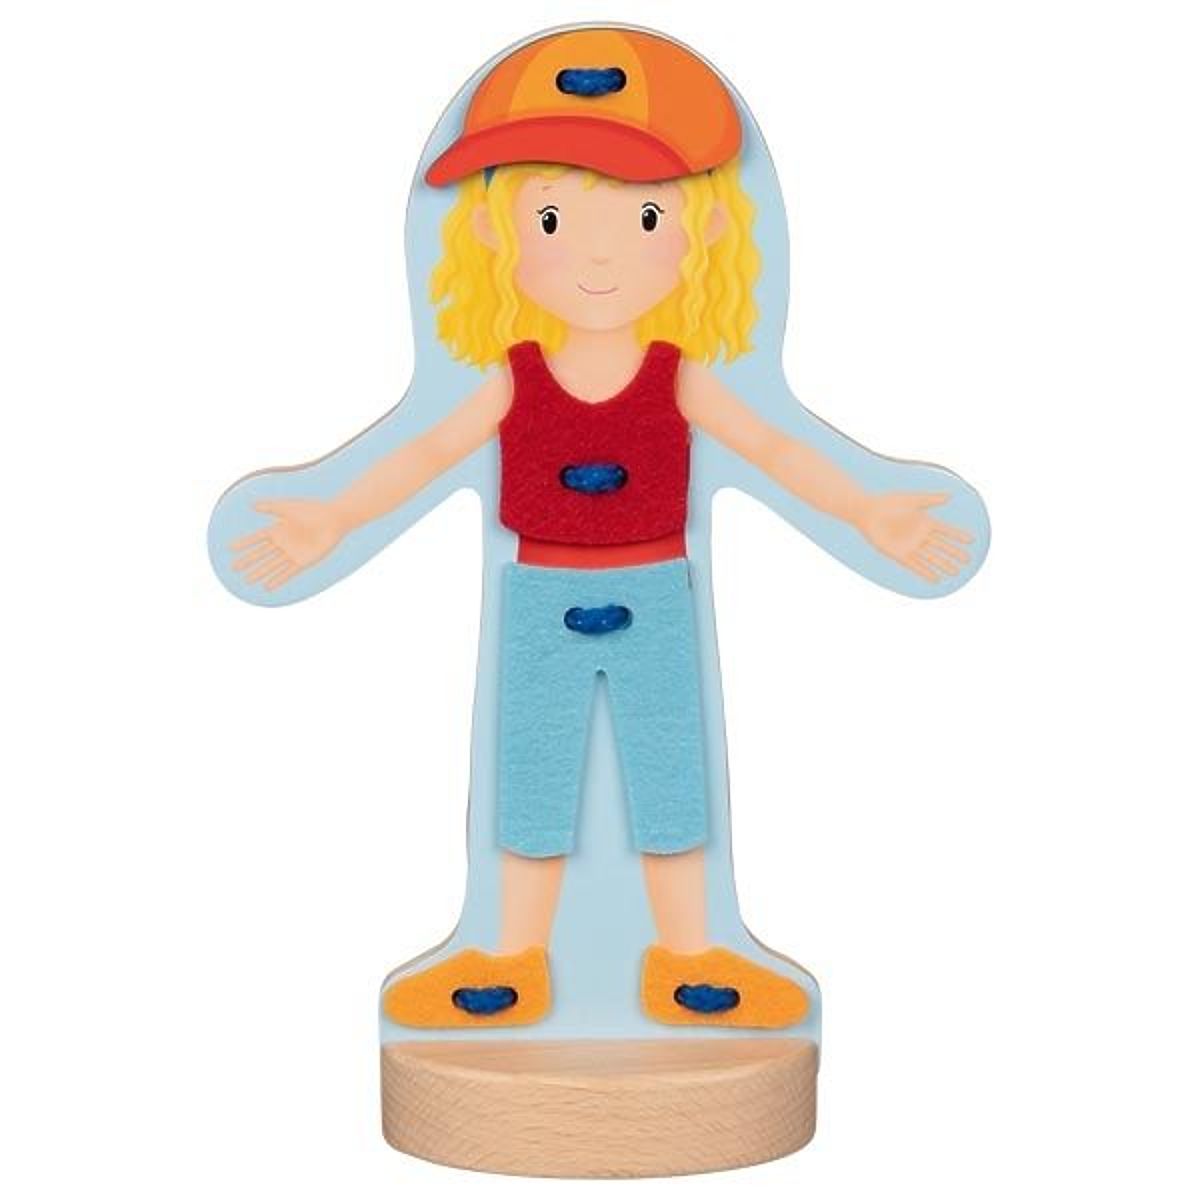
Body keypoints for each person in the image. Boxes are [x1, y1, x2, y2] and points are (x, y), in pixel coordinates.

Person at [229, 28, 972, 1028]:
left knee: (671, 779)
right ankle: (511, 959)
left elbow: (773, 447)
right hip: (542, 594)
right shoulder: (513, 379)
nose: (598, 252)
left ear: (703, 230)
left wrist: (864, 506)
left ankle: (690, 958)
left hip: (656, 592)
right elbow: (428, 450)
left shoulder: (679, 377)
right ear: (493, 231)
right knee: (532, 783)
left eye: (645, 214)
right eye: (552, 217)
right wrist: (336, 512)